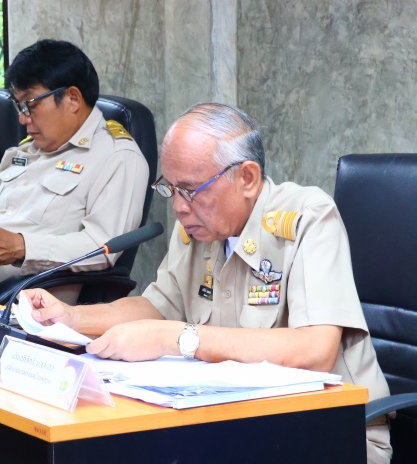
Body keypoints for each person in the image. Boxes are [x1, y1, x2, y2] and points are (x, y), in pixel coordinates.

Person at [24, 102, 391, 462]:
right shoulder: (199, 227)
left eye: (190, 190)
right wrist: (71, 318)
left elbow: (315, 351)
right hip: (237, 421)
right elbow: (156, 307)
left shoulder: (307, 219)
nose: (178, 207)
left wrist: (178, 338)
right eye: (170, 189)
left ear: (247, 178)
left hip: (330, 431)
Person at [0, 39, 149, 297]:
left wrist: (23, 247)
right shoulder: (28, 150)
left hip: (19, 298)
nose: (22, 118)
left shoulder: (116, 156)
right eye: (18, 106)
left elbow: (102, 247)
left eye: (30, 105)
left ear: (72, 99)